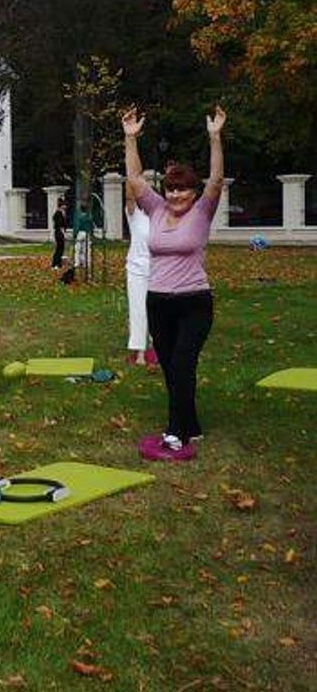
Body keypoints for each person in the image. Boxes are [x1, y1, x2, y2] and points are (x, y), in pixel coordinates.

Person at [123, 105, 225, 454]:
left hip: (194, 302)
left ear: (193, 192)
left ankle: (175, 431)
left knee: (182, 362)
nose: (176, 195)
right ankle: (191, 424)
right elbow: (135, 181)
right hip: (159, 301)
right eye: (170, 189)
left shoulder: (202, 211)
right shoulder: (156, 209)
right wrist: (130, 139)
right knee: (170, 366)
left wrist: (214, 138)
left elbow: (215, 181)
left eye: (182, 190)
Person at [124, 181, 156, 366]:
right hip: (136, 268)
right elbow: (129, 195)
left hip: (159, 269)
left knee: (157, 310)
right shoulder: (134, 214)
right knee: (138, 310)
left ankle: (156, 347)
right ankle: (139, 351)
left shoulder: (161, 214)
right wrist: (134, 176)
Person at [51, 197, 67, 268]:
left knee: (61, 248)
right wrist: (62, 230)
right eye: (64, 205)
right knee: (59, 248)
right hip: (58, 232)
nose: (65, 207)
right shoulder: (58, 213)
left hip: (61, 232)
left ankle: (59, 263)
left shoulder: (61, 213)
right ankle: (55, 264)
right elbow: (59, 224)